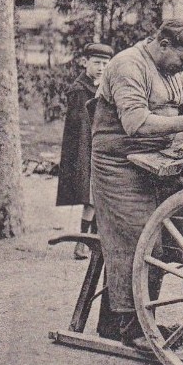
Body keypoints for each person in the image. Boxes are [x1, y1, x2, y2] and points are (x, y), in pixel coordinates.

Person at [90, 20, 183, 349]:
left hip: (155, 162)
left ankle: (115, 322)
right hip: (118, 165)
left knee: (163, 239)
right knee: (142, 244)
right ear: (163, 43)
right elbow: (135, 123)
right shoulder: (127, 65)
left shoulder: (172, 69)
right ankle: (133, 329)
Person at [56, 42, 113, 259]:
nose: (101, 68)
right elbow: (80, 127)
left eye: (105, 64)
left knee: (100, 197)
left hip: (100, 146)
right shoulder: (80, 91)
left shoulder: (103, 87)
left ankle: (94, 243)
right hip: (85, 149)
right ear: (85, 63)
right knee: (91, 198)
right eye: (96, 63)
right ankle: (81, 243)